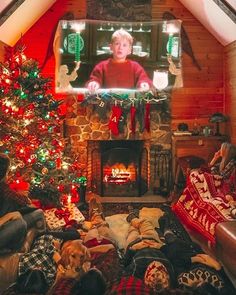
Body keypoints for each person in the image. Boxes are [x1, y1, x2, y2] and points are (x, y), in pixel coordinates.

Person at [122, 206, 176, 292]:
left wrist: (132, 249)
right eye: (160, 268)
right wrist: (161, 247)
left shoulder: (136, 270)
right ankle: (133, 217)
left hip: (135, 244)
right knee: (145, 223)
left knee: (133, 230)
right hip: (153, 241)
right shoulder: (171, 273)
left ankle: (132, 216)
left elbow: (123, 264)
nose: (154, 263)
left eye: (152, 268)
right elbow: (172, 254)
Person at [0, 153, 46, 253]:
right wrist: (9, 216)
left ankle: (44, 239)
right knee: (20, 223)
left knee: (38, 213)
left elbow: (18, 199)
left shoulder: (3, 187)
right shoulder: (4, 189)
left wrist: (24, 200)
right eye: (7, 171)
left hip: (7, 224)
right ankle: (13, 250)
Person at [86, 28, 153, 92]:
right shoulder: (101, 66)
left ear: (130, 50)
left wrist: (144, 84)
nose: (120, 48)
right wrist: (94, 83)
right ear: (111, 47)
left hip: (129, 101)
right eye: (117, 44)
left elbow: (144, 79)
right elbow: (94, 79)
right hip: (107, 101)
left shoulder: (135, 67)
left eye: (124, 45)